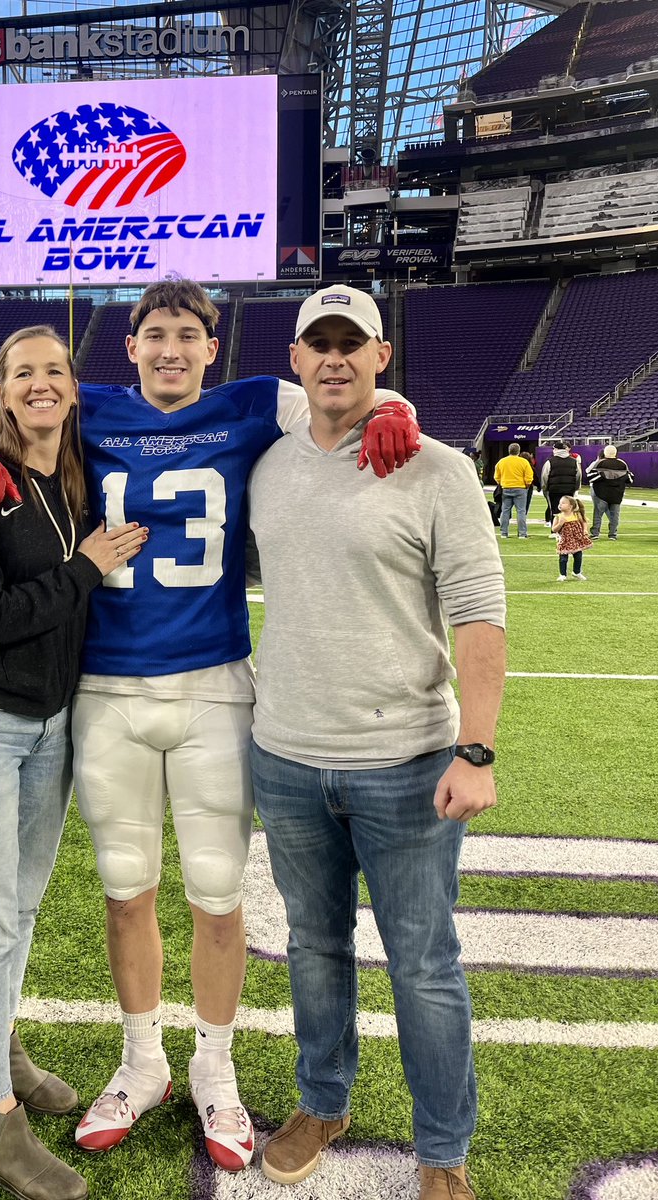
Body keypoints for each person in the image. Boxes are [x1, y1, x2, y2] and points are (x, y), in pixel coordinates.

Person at [0, 279, 421, 1172]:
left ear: (214, 346)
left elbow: (346, 391)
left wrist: (393, 405)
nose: (170, 349)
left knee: (215, 892)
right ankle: (141, 1062)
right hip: (105, 689)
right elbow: (11, 407)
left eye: (187, 335)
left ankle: (214, 1067)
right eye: (154, 334)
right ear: (128, 347)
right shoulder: (91, 407)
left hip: (212, 684)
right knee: (124, 889)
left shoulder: (251, 403)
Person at [247, 286, 506, 1200]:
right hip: (282, 756)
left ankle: (443, 1155)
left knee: (424, 967)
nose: (333, 359)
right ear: (295, 358)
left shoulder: (434, 469)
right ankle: (323, 1101)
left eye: (349, 345)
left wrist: (475, 749)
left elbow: (478, 614)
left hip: (406, 764)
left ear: (379, 356)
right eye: (317, 344)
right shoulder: (268, 466)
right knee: (313, 949)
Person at [0, 326, 147, 1200]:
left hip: (50, 726)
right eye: (23, 374)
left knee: (17, 911)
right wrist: (85, 568)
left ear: (72, 384)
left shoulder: (79, 464)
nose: (41, 385)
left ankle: (0, 1045)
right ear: (3, 388)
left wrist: (388, 403)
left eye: (54, 370)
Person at [587, 444, 632, 540]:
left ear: (605, 453)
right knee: (615, 515)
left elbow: (590, 477)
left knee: (598, 514)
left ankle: (595, 533)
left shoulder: (599, 463)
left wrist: (603, 476)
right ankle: (613, 534)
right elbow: (630, 479)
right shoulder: (622, 464)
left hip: (601, 492)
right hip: (617, 493)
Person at [492, 442, 533, 538]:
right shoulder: (523, 462)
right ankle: (522, 534)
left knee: (505, 511)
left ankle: (504, 533)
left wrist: (502, 483)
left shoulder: (502, 461)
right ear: (518, 451)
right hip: (520, 488)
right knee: (521, 511)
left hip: (506, 488)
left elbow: (496, 476)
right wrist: (526, 485)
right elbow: (529, 476)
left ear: (509, 450)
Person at [541, 439, 581, 532]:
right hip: (569, 489)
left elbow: (544, 476)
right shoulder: (574, 461)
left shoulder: (550, 461)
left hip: (554, 490)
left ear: (556, 449)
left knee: (555, 510)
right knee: (568, 511)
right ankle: (568, 531)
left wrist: (545, 488)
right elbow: (578, 475)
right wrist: (576, 488)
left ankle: (554, 531)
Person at [553, 494, 592, 581]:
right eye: (560, 503)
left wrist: (585, 530)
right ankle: (562, 574)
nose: (560, 504)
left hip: (576, 539)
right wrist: (560, 524)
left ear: (570, 506)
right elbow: (554, 529)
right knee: (563, 558)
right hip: (564, 540)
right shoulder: (558, 517)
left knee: (578, 556)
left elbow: (584, 522)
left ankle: (576, 572)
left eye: (563, 503)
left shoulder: (577, 515)